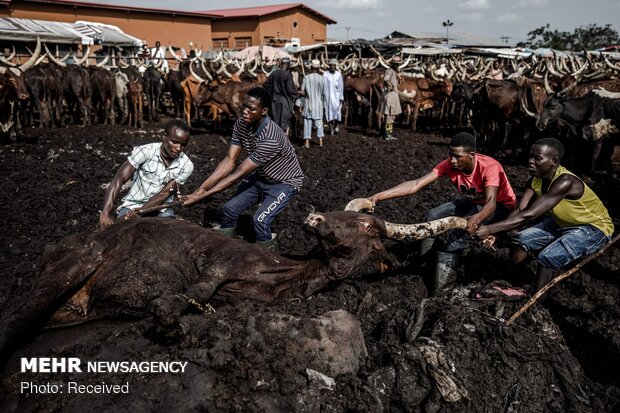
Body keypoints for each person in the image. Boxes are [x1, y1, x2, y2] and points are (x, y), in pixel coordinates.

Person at [365, 132, 517, 292]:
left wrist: (477, 218)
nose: (452, 161)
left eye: (458, 157)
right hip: (475, 202)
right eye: (450, 155)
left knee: (455, 239)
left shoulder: (489, 167)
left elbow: (491, 203)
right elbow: (415, 184)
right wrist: (379, 196)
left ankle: (442, 290)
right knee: (433, 215)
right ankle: (424, 265)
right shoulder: (449, 165)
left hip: (500, 207)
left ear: (471, 155)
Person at [476, 138, 613, 293]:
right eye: (530, 157)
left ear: (553, 161)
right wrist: (496, 234)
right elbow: (521, 210)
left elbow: (529, 215)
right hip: (560, 223)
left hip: (593, 228)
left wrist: (489, 228)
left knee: (548, 257)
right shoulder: (535, 180)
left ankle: (536, 304)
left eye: (537, 158)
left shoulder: (565, 181)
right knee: (519, 240)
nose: (530, 161)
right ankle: (513, 284)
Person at [183, 87, 304, 250]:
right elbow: (229, 160)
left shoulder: (271, 138)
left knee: (260, 220)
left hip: (284, 182)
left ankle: (269, 260)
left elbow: (239, 173)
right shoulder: (241, 123)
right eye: (244, 106)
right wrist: (201, 189)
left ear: (264, 111)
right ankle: (225, 251)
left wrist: (204, 195)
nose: (245, 111)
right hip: (261, 176)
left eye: (251, 109)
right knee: (228, 209)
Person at [99, 119, 193, 229]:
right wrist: (106, 212)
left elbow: (164, 193)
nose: (178, 148)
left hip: (161, 209)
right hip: (132, 205)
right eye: (175, 142)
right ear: (164, 136)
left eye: (183, 145)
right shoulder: (145, 151)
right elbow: (119, 179)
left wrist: (141, 212)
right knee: (118, 233)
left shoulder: (186, 165)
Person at [262, 56, 298, 135]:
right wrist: (297, 94)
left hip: (274, 101)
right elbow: (290, 90)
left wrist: (271, 93)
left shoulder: (274, 73)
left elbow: (265, 85)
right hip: (284, 102)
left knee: (276, 120)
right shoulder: (288, 75)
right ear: (288, 65)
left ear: (281, 64)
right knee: (285, 121)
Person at [299, 59, 325, 148]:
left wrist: (299, 102)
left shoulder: (306, 77)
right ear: (318, 68)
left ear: (311, 67)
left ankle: (307, 143)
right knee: (319, 123)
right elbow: (323, 93)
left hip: (308, 104)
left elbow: (303, 92)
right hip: (318, 104)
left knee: (307, 123)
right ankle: (320, 141)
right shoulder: (322, 78)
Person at [380, 55, 402, 141]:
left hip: (392, 95)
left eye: (398, 64)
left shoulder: (392, 71)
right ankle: (387, 135)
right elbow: (386, 79)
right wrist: (390, 87)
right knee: (389, 115)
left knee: (390, 115)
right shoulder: (390, 71)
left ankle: (385, 134)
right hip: (390, 95)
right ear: (393, 64)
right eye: (396, 64)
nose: (397, 66)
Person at [323, 58, 344, 135]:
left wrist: (341, 97)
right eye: (331, 65)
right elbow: (324, 86)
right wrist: (324, 96)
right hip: (328, 97)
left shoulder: (338, 74)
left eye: (333, 65)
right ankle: (331, 128)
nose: (332, 67)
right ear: (329, 66)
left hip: (337, 96)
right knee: (329, 113)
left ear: (335, 66)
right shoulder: (325, 74)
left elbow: (341, 86)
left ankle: (337, 126)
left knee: (338, 112)